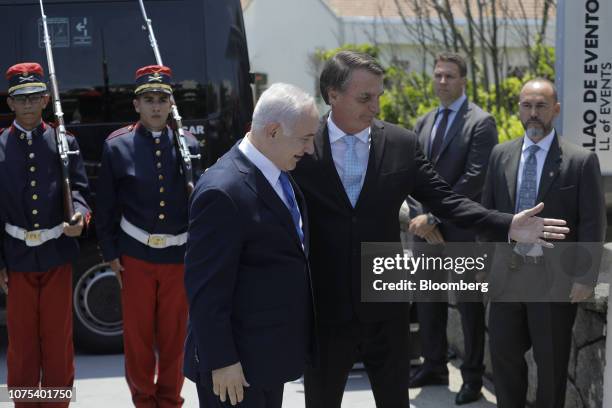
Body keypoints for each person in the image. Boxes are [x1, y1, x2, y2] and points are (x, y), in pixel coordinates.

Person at [291, 50, 569, 408]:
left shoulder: (400, 143)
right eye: (365, 98)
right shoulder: (302, 145)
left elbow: (448, 201)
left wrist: (508, 224)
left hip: (385, 306)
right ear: (332, 94)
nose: (375, 106)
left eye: (378, 96)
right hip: (324, 309)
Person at [183, 83, 319, 408]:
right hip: (236, 369)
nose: (310, 149)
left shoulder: (279, 173)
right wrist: (222, 360)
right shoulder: (223, 191)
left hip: (266, 359)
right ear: (273, 131)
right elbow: (205, 290)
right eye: (304, 138)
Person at [480, 78, 605, 408]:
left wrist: (585, 277)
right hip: (506, 278)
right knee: (504, 361)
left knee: (551, 368)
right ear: (518, 108)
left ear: (556, 109)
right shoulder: (499, 155)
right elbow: (487, 215)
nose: (533, 113)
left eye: (541, 106)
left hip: (554, 282)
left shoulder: (580, 161)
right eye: (527, 105)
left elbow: (593, 223)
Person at [95, 65, 201, 407]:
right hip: (136, 254)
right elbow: (106, 205)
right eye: (149, 99)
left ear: (172, 103)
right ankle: (143, 399)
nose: (156, 106)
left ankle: (170, 399)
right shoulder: (118, 146)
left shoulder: (188, 144)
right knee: (138, 338)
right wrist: (110, 251)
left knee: (174, 336)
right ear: (136, 105)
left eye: (162, 99)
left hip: (177, 254)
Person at [407, 52, 497, 404]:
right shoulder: (423, 121)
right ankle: (434, 365)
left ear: (463, 81)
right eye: (438, 75)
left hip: (460, 231)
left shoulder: (480, 122)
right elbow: (411, 174)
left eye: (449, 76)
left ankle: (472, 378)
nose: (442, 81)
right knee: (428, 302)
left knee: (469, 306)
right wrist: (419, 217)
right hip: (424, 230)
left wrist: (436, 218)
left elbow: (475, 178)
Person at [0, 62, 91, 407]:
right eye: (20, 98)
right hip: (18, 258)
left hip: (56, 254)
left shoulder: (63, 141)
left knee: (57, 344)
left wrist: (80, 215)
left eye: (34, 97)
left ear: (45, 99)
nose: (27, 105)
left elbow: (80, 190)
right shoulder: (1, 147)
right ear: (10, 103)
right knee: (22, 348)